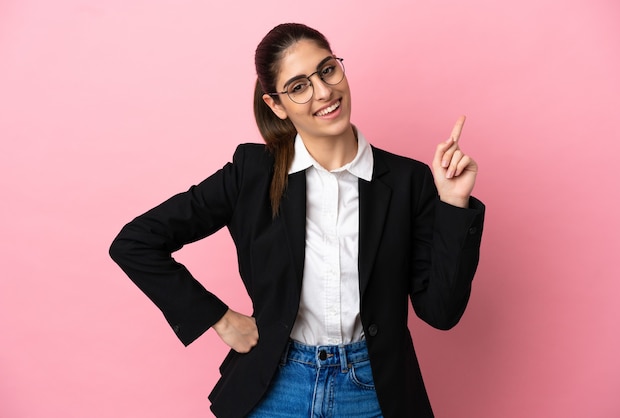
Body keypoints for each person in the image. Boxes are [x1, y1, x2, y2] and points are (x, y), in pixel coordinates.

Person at [109, 22, 485, 418]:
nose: (324, 92)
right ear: (276, 105)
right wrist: (217, 318)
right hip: (277, 385)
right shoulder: (251, 173)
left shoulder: (409, 181)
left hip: (374, 390)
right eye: (299, 86)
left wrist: (453, 205)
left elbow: (441, 313)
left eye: (327, 70)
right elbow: (135, 241)